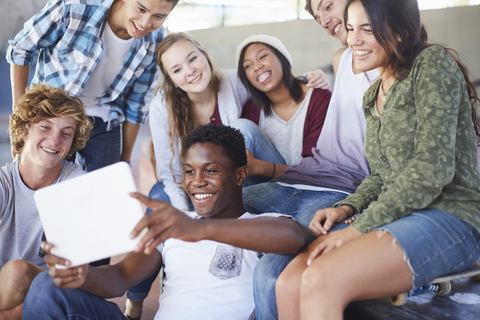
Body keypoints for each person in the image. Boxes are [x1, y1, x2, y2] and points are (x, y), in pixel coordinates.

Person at [275, 0, 480, 319]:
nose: (354, 39)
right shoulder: (373, 95)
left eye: (367, 29)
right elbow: (382, 176)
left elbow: (431, 170)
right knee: (289, 280)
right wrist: (346, 208)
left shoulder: (431, 64)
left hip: (451, 215)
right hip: (403, 212)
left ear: (398, 32)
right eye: (352, 28)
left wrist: (357, 228)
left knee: (319, 279)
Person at [22, 124, 305, 320]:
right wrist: (83, 276)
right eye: (189, 171)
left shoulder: (262, 224)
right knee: (46, 287)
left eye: (211, 170)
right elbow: (121, 277)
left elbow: (291, 236)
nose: (197, 182)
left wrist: (199, 229)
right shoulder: (172, 227)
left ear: (240, 176)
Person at [241, 0, 379, 318]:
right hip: (300, 178)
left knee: (271, 274)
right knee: (209, 214)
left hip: (337, 190)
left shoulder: (392, 65)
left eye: (327, 5)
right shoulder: (341, 58)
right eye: (317, 15)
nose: (323, 19)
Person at [148, 32, 330, 212]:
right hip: (200, 185)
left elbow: (270, 80)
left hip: (242, 178)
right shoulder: (162, 106)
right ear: (172, 81)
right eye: (177, 70)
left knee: (241, 128)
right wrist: (186, 215)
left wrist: (309, 78)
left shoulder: (234, 82)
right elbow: (170, 175)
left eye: (193, 59)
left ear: (205, 53)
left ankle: (227, 217)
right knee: (159, 194)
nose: (190, 71)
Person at [7, 0, 178, 172]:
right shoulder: (73, 6)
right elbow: (21, 50)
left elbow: (137, 104)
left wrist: (124, 162)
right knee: (42, 185)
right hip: (52, 111)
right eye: (141, 9)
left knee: (104, 189)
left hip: (104, 117)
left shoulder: (156, 41)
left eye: (158, 16)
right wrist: (20, 118)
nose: (145, 23)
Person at [0, 84, 92, 320]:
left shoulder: (76, 183)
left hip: (51, 295)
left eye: (66, 133)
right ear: (23, 131)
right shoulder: (4, 185)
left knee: (18, 272)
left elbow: (77, 275)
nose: (54, 140)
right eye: (45, 127)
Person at [231, 35, 331, 185]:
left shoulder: (319, 98)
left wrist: (258, 167)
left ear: (282, 57)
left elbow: (317, 170)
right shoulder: (252, 109)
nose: (257, 67)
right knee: (240, 127)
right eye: (248, 66)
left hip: (311, 187)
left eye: (262, 56)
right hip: (269, 188)